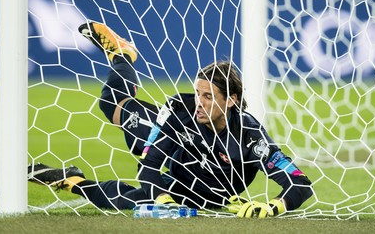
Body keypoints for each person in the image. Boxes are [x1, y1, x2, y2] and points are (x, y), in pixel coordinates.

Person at [28, 22, 313, 218]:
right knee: (112, 105)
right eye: (197, 93)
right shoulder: (184, 113)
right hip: (167, 146)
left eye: (208, 97)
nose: (199, 103)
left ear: (232, 100)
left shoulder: (251, 136)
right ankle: (122, 56)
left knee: (127, 201)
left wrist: (273, 207)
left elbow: (300, 183)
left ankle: (69, 180)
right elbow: (149, 164)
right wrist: (159, 196)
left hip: (194, 193)